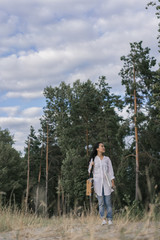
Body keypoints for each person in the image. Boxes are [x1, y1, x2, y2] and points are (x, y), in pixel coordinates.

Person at [88, 142, 115, 225]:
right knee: (101, 203)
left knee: (108, 202)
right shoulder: (93, 159)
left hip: (107, 183)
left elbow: (110, 171)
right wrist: (91, 165)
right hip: (97, 183)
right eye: (102, 146)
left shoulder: (107, 159)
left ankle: (110, 219)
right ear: (97, 148)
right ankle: (103, 219)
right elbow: (89, 171)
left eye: (104, 146)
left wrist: (112, 181)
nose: (103, 147)